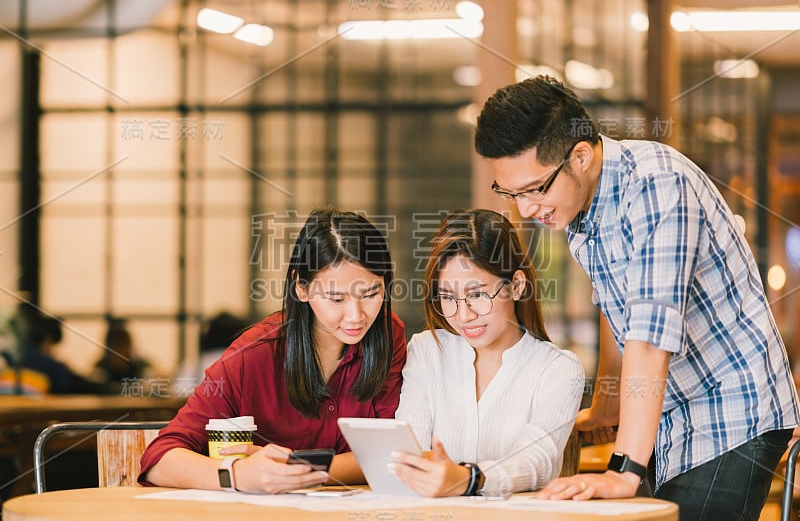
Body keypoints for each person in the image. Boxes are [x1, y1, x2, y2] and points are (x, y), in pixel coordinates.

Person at [474, 75, 800, 521]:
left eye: (535, 189)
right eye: (511, 194)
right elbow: (616, 309)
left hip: (729, 408)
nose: (527, 209)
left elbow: (649, 335)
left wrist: (625, 468)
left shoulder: (656, 186)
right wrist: (610, 402)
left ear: (581, 157)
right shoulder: (577, 206)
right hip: (671, 412)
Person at [139, 208, 407, 494]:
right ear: (301, 288)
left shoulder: (388, 334)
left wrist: (296, 466)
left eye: (371, 294)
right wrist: (238, 475)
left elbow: (390, 455)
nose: (356, 316)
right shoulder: (252, 356)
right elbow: (159, 459)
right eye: (336, 298)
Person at [390, 209, 584, 497]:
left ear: (516, 286)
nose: (464, 315)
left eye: (477, 295)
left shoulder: (557, 369)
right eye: (448, 298)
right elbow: (406, 454)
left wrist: (468, 478)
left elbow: (537, 461)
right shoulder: (428, 349)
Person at [93, 319, 150, 395]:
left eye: (125, 346)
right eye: (117, 347)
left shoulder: (140, 367)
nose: (122, 352)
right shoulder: (100, 370)